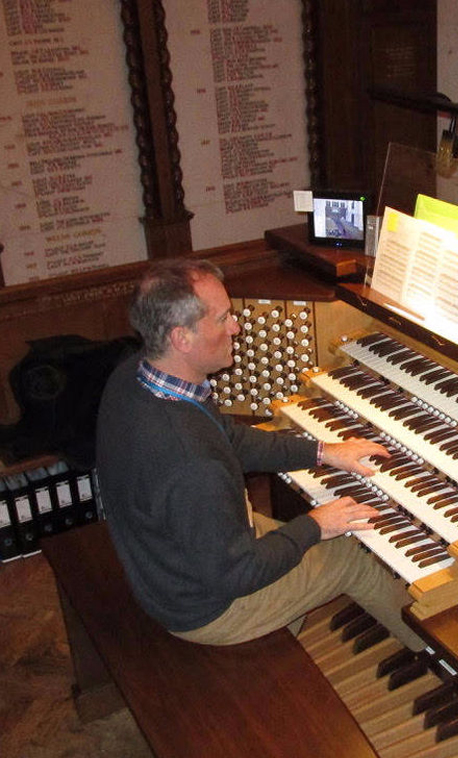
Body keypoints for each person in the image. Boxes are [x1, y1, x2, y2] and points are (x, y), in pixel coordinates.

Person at [96, 258, 426, 651]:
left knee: (306, 535)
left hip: (171, 560)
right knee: (350, 557)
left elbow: (228, 439)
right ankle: (439, 657)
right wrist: (316, 524)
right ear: (182, 338)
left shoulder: (136, 375)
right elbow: (239, 573)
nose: (236, 327)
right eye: (222, 320)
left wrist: (324, 451)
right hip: (205, 605)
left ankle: (281, 630)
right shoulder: (190, 463)